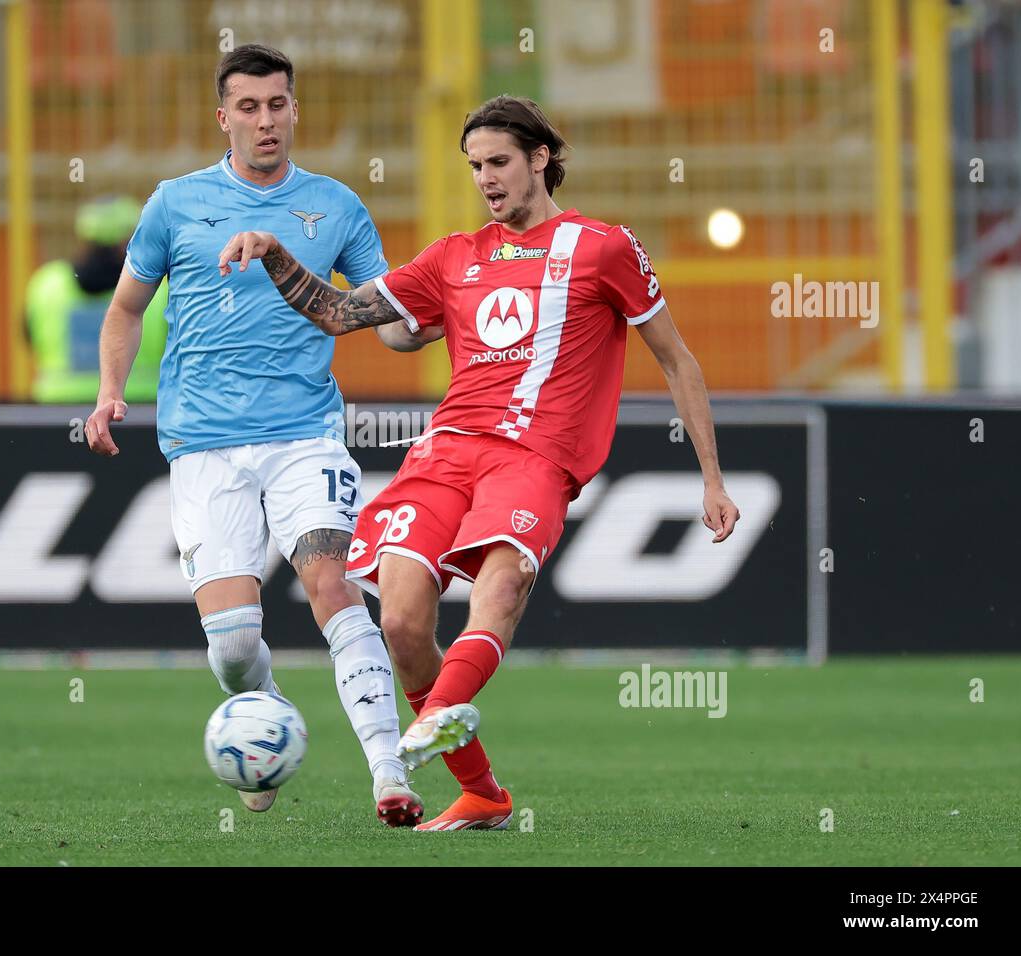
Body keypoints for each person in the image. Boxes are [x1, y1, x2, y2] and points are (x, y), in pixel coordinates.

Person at [217, 95, 742, 831]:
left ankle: (442, 716)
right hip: (445, 450)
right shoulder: (453, 257)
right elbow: (340, 313)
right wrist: (276, 253)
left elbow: (678, 362)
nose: (487, 179)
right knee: (400, 622)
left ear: (540, 159)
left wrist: (711, 478)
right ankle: (485, 794)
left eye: (499, 162)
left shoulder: (603, 247)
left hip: (536, 456)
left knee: (502, 585)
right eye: (474, 167)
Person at [86, 45, 422, 826]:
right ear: (223, 117)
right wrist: (109, 391)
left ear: (295, 109)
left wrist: (417, 328)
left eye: (278, 105)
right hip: (203, 446)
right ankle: (264, 715)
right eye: (249, 107)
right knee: (234, 643)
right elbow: (128, 308)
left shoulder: (336, 205)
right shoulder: (175, 203)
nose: (266, 121)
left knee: (331, 588)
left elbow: (378, 308)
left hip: (305, 433)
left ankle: (389, 773)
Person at [26, 196, 167, 404]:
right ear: (129, 240)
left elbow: (29, 338)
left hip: (57, 408)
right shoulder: (159, 289)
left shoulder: (46, 283)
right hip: (135, 408)